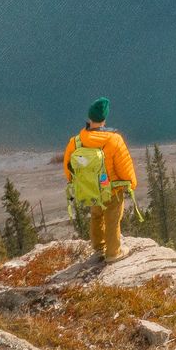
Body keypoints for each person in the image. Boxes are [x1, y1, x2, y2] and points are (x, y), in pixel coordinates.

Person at [63, 97, 137, 260]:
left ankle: (98, 246)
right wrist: (132, 182)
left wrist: (78, 183)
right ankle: (113, 253)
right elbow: (124, 166)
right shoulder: (113, 140)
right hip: (111, 190)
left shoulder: (75, 142)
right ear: (104, 119)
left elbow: (69, 168)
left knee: (96, 215)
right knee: (112, 218)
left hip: (90, 189)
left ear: (89, 118)